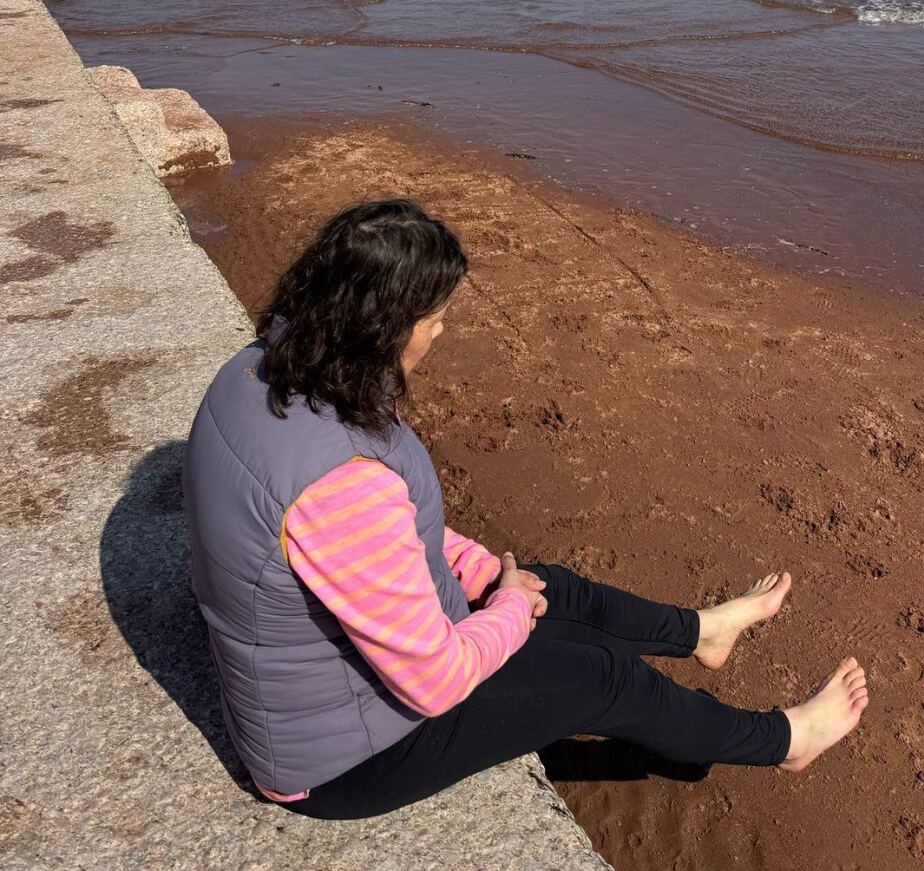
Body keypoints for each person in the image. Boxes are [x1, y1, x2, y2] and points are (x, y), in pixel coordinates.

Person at [183, 198, 868, 821]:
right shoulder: (338, 479)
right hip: (340, 761)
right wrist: (507, 607)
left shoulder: (264, 371)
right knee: (597, 676)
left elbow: (364, 540)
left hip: (326, 681)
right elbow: (433, 679)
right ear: (383, 325)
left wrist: (480, 571)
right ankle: (785, 741)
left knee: (557, 589)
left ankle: (703, 632)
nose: (441, 333)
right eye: (435, 318)